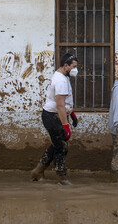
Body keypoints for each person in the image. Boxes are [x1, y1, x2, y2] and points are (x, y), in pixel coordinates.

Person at [31, 53, 78, 185]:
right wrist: (66, 126)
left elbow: (65, 101)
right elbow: (60, 105)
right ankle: (61, 177)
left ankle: (38, 171)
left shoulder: (63, 75)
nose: (75, 70)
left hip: (55, 115)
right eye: (74, 67)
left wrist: (72, 113)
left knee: (58, 144)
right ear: (66, 65)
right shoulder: (61, 80)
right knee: (61, 146)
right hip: (52, 116)